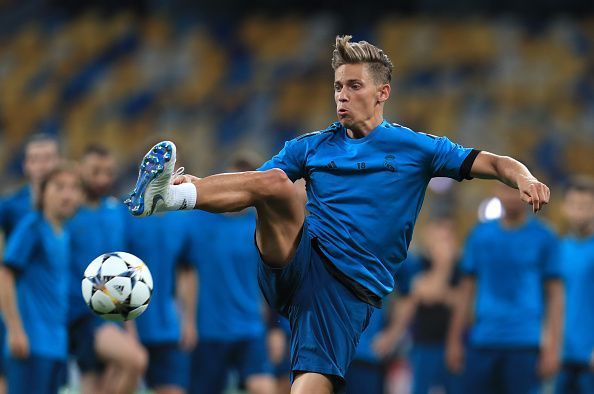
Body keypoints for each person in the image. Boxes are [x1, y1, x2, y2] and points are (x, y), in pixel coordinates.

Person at [124, 36, 551, 393]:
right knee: (274, 182)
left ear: (382, 93)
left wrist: (525, 178)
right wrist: (194, 187)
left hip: (346, 289)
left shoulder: (417, 149)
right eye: (337, 87)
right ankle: (167, 198)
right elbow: (251, 186)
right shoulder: (311, 146)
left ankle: (174, 196)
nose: (341, 96)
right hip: (298, 255)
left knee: (311, 385)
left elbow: (494, 163)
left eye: (353, 86)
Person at [446, 184, 562, 394]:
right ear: (495, 191)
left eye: (516, 190)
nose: (510, 196)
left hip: (525, 343)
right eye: (505, 189)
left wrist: (553, 348)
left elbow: (555, 296)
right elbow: (466, 290)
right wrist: (454, 340)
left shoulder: (545, 237)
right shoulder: (480, 235)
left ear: (528, 194)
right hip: (483, 340)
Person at [186, 156, 276, 394]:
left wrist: (274, 328)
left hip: (250, 327)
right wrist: (187, 321)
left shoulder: (261, 225)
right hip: (209, 330)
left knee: (263, 387)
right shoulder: (198, 221)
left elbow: (273, 278)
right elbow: (187, 271)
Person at [67, 145, 147, 394]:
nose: (102, 179)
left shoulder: (117, 213)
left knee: (96, 385)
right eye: (95, 171)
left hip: (114, 314)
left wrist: (130, 324)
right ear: (80, 170)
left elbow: (128, 268)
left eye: (108, 172)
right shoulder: (68, 212)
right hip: (81, 316)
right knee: (135, 360)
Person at [0, 163, 82, 394]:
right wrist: (15, 330)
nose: (67, 194)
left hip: (56, 344)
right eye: (59, 187)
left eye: (74, 188)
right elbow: (5, 276)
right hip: (31, 342)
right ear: (43, 192)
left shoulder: (64, 233)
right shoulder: (32, 227)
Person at [0, 133, 61, 394]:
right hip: (19, 308)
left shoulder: (68, 206)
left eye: (48, 158)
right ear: (26, 165)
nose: (42, 165)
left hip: (53, 313)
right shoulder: (13, 208)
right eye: (36, 159)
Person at [379, 217, 462, 394]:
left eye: (447, 239)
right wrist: (443, 267)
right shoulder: (419, 264)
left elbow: (462, 303)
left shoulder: (460, 269)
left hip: (453, 345)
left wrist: (444, 275)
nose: (442, 246)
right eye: (438, 239)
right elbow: (426, 294)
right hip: (423, 344)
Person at [127, 209, 196, 394]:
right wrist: (128, 328)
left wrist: (188, 321)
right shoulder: (125, 213)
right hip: (132, 326)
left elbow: (186, 270)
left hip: (169, 328)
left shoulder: (182, 218)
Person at [555, 177, 594, 394]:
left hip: (589, 357)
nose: (579, 212)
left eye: (586, 207)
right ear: (564, 208)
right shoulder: (557, 249)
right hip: (559, 355)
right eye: (575, 206)